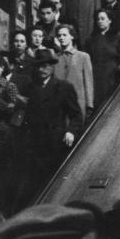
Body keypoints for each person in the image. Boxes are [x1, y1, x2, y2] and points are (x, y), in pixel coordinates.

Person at [24, 47, 82, 186]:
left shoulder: (63, 87)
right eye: (38, 66)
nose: (41, 70)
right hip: (34, 142)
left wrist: (70, 132)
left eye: (44, 66)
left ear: (52, 66)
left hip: (55, 141)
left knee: (53, 183)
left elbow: (76, 115)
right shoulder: (28, 88)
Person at [85, 8, 120, 107]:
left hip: (112, 75)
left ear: (110, 20)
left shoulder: (119, 36)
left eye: (102, 18)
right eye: (98, 19)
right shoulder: (90, 39)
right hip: (95, 75)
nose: (100, 21)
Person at [54, 22, 95, 119]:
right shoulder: (55, 58)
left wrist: (89, 105)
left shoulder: (83, 57)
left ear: (72, 36)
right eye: (59, 35)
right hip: (59, 105)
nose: (61, 38)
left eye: (64, 35)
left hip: (78, 103)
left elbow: (88, 82)